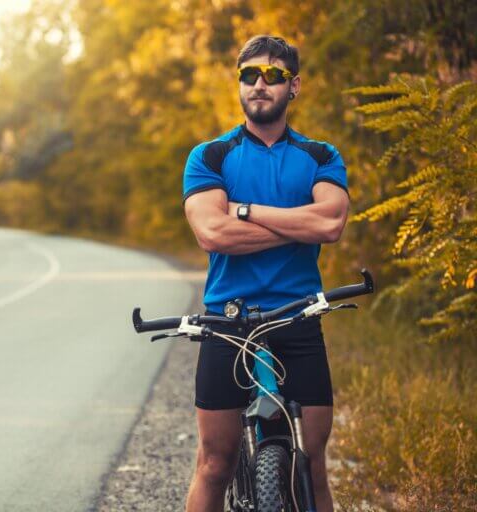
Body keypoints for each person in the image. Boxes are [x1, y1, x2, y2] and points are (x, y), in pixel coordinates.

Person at [182, 35, 350, 512]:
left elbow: (331, 223)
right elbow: (213, 233)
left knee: (312, 462)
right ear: (239, 83)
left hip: (298, 317)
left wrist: (247, 210)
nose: (260, 83)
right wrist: (300, 224)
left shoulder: (320, 155)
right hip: (226, 322)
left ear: (293, 86)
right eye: (249, 74)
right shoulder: (210, 155)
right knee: (215, 462)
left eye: (273, 75)